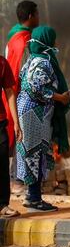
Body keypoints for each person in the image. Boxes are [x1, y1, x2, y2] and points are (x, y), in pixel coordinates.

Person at [16, 26, 70, 212]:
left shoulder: (32, 59)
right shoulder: (43, 62)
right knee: (35, 153)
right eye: (53, 39)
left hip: (30, 112)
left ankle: (31, 196)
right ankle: (34, 199)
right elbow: (35, 88)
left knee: (32, 153)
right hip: (34, 114)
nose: (56, 43)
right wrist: (60, 98)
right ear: (47, 41)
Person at [3, 1, 38, 151]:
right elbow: (27, 74)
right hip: (21, 97)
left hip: (9, 92)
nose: (39, 18)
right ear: (30, 16)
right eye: (37, 14)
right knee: (21, 142)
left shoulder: (12, 37)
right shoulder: (27, 41)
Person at [0, 53, 21, 217]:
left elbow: (10, 92)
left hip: (1, 122)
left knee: (2, 165)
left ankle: (2, 205)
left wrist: (16, 122)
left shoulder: (2, 62)